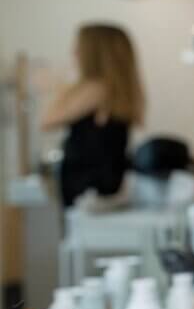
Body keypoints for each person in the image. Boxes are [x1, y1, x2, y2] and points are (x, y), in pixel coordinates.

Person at [40, 22, 145, 208]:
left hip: (86, 184)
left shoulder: (95, 89)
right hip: (104, 182)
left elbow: (47, 120)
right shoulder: (115, 90)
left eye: (78, 47)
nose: (74, 53)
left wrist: (66, 82)